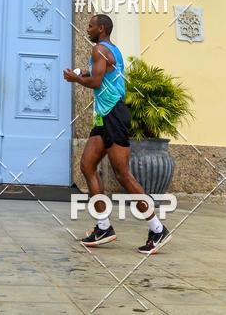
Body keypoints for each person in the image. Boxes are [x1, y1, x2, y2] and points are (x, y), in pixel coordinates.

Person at [63, 14, 171, 253]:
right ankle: (103, 227)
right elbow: (99, 73)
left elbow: (96, 82)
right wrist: (81, 72)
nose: (87, 29)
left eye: (91, 26)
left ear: (101, 29)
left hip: (114, 115)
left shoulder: (99, 49)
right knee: (87, 165)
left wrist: (75, 79)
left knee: (123, 175)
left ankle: (157, 229)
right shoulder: (111, 50)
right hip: (104, 117)